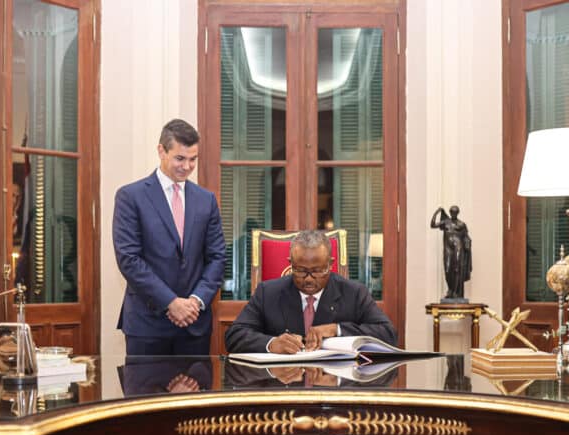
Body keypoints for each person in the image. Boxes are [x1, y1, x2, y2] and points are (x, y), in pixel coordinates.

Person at [113, 119, 226, 355]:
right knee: (146, 394)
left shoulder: (206, 200)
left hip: (195, 326)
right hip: (147, 326)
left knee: (195, 392)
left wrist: (195, 301)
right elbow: (129, 259)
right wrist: (171, 303)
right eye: (180, 158)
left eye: (193, 159)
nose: (187, 166)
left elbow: (217, 258)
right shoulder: (130, 197)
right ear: (161, 151)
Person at [225, 230, 397, 354]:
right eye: (300, 270)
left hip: (334, 391)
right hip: (283, 388)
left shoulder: (354, 293)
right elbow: (234, 336)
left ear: (330, 264)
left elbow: (388, 334)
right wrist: (271, 344)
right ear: (290, 263)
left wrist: (337, 329)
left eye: (317, 271)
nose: (308, 279)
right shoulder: (268, 292)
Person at [430, 205, 472, 300]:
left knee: (457, 269)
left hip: (458, 247)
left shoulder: (461, 224)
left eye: (455, 212)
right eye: (452, 212)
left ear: (457, 213)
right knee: (448, 269)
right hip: (448, 248)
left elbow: (466, 237)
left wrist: (467, 243)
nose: (453, 214)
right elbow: (432, 225)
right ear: (450, 212)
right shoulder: (445, 222)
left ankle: (456, 293)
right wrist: (437, 212)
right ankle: (450, 289)